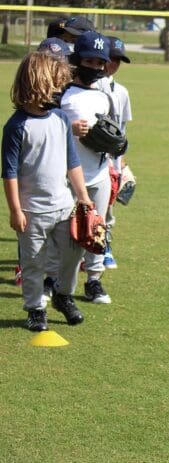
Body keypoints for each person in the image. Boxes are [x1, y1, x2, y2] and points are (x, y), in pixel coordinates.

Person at [2, 52, 92, 331]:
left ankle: (62, 295)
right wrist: (16, 210)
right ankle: (35, 308)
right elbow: (10, 172)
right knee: (32, 263)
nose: (60, 89)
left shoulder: (61, 119)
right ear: (38, 83)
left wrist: (84, 197)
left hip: (64, 205)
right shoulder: (17, 126)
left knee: (73, 254)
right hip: (32, 212)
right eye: (56, 83)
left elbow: (71, 162)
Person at [56, 31, 115, 304]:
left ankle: (94, 280)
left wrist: (118, 149)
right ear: (78, 60)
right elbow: (45, 130)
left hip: (99, 172)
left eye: (99, 63)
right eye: (89, 61)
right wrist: (68, 127)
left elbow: (115, 137)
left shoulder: (104, 97)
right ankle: (54, 282)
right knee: (65, 236)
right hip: (68, 175)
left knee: (98, 230)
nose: (94, 68)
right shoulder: (63, 94)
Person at [96, 36, 133, 270]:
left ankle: (104, 247)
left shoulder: (121, 92)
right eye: (112, 58)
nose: (115, 64)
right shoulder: (90, 87)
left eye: (119, 60)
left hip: (113, 160)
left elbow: (123, 133)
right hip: (91, 158)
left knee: (108, 209)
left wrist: (124, 165)